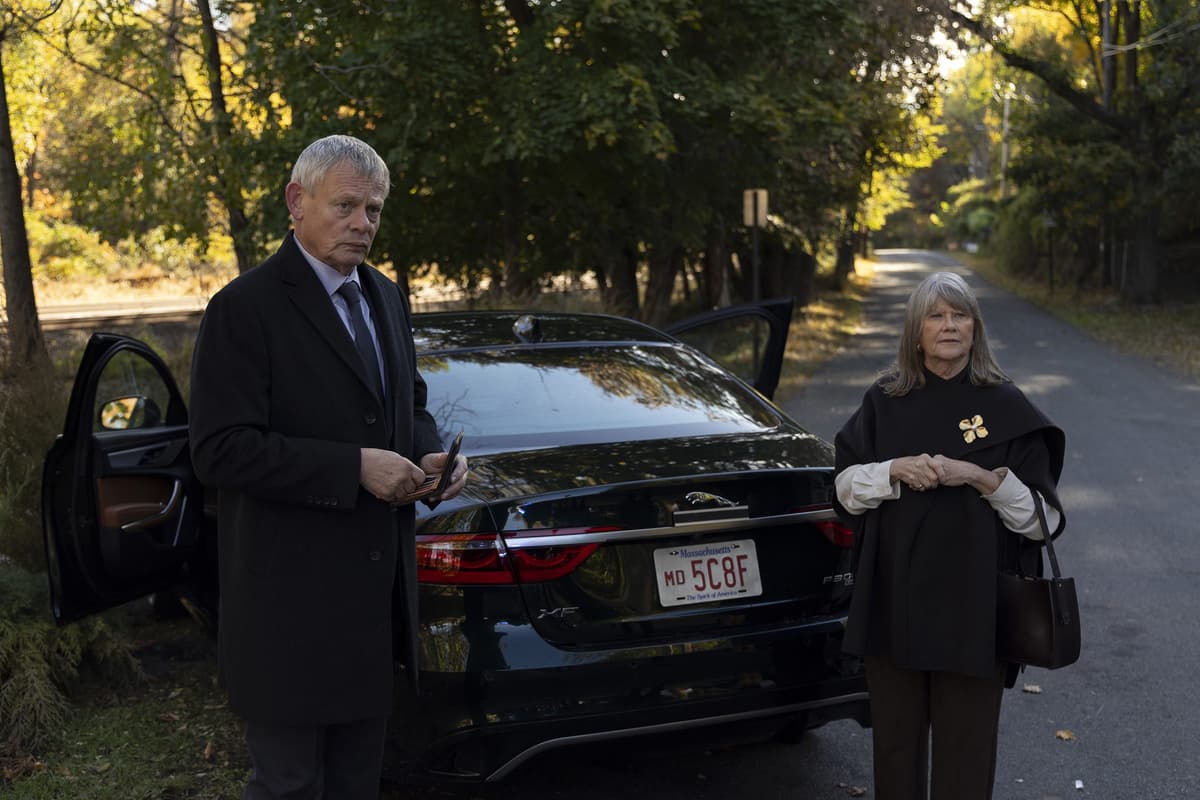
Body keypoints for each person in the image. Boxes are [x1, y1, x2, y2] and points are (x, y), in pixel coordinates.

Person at [189, 134, 467, 800]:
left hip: (373, 610)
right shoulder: (244, 308)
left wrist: (426, 455)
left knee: (357, 785)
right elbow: (218, 449)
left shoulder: (387, 298)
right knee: (288, 787)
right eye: (345, 206)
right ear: (297, 201)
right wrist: (353, 469)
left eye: (373, 210)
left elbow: (409, 406)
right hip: (288, 612)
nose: (362, 224)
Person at [832, 271, 1066, 800]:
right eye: (935, 316)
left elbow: (1042, 522)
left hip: (975, 612)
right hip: (894, 604)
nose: (949, 326)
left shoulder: (1006, 407)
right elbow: (845, 490)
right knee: (895, 752)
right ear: (916, 332)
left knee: (966, 758)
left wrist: (980, 477)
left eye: (960, 315)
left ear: (976, 329)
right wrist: (892, 469)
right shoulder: (884, 400)